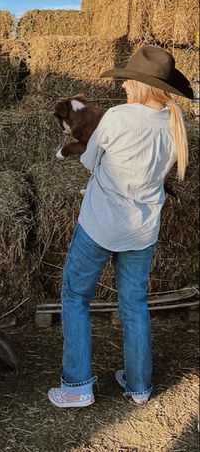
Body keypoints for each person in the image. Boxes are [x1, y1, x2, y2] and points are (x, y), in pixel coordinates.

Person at [48, 45, 193, 409]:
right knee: (134, 304)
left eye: (129, 80)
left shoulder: (118, 117)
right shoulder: (174, 124)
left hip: (100, 225)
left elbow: (91, 159)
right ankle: (139, 385)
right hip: (143, 231)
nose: (125, 85)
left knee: (75, 296)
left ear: (144, 85)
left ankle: (77, 385)